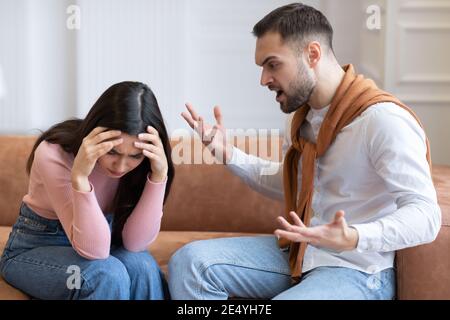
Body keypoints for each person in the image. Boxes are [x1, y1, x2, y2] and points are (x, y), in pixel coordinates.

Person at [169, 3, 441, 300]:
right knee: (191, 263)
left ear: (312, 54)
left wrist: (354, 236)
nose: (263, 80)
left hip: (357, 269)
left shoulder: (382, 121)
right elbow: (293, 182)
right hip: (301, 254)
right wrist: (228, 153)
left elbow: (426, 215)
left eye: (273, 64)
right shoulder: (301, 120)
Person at [0, 81, 174, 300]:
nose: (120, 167)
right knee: (106, 274)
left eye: (134, 156)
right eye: (112, 152)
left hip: (103, 242)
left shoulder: (145, 164)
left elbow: (135, 244)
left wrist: (158, 177)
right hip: (35, 249)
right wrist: (80, 177)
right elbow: (96, 252)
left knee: (143, 266)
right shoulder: (54, 153)